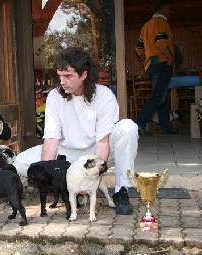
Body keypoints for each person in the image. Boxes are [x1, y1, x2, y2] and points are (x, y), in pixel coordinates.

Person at [13, 47, 139, 215]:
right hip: (67, 154)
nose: (62, 81)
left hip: (97, 151)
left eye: (68, 76)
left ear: (84, 75)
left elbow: (103, 142)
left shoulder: (104, 95)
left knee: (128, 128)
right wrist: (49, 172)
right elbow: (51, 139)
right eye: (60, 76)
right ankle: (66, 186)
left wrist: (92, 180)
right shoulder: (54, 96)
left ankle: (121, 190)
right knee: (20, 163)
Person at [135, 0, 177, 135]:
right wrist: (170, 58)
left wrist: (146, 59)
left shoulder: (146, 25)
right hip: (162, 63)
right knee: (158, 96)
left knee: (161, 95)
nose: (170, 13)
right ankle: (139, 124)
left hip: (152, 65)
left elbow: (139, 47)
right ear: (164, 10)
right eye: (169, 10)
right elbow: (161, 42)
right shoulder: (161, 23)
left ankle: (166, 127)